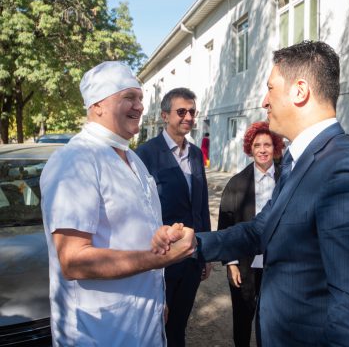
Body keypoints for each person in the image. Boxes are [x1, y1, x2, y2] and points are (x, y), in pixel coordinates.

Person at [152, 41, 349, 346]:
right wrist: (195, 243)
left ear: (300, 91)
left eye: (270, 88)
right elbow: (260, 230)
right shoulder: (299, 161)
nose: (264, 101)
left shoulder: (347, 170)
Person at [40, 62, 195, 347]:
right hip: (99, 331)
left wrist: (161, 237)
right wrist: (161, 259)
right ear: (97, 105)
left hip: (144, 320)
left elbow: (130, 228)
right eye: (129, 97)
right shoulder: (75, 160)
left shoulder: (133, 159)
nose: (140, 106)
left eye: (140, 98)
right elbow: (73, 260)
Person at [136, 87, 211, 347]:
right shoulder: (145, 155)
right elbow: (139, 210)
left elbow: (201, 205)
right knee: (157, 327)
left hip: (191, 258)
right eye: (181, 111)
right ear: (165, 115)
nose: (188, 117)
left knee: (179, 325)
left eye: (192, 112)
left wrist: (206, 252)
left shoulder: (195, 154)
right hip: (162, 260)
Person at [218, 121, 284, 347]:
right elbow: (225, 226)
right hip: (245, 264)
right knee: (242, 318)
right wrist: (231, 263)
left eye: (267, 144)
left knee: (274, 320)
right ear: (250, 149)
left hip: (279, 262)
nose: (263, 150)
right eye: (257, 145)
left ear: (275, 147)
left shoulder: (287, 179)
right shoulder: (236, 184)